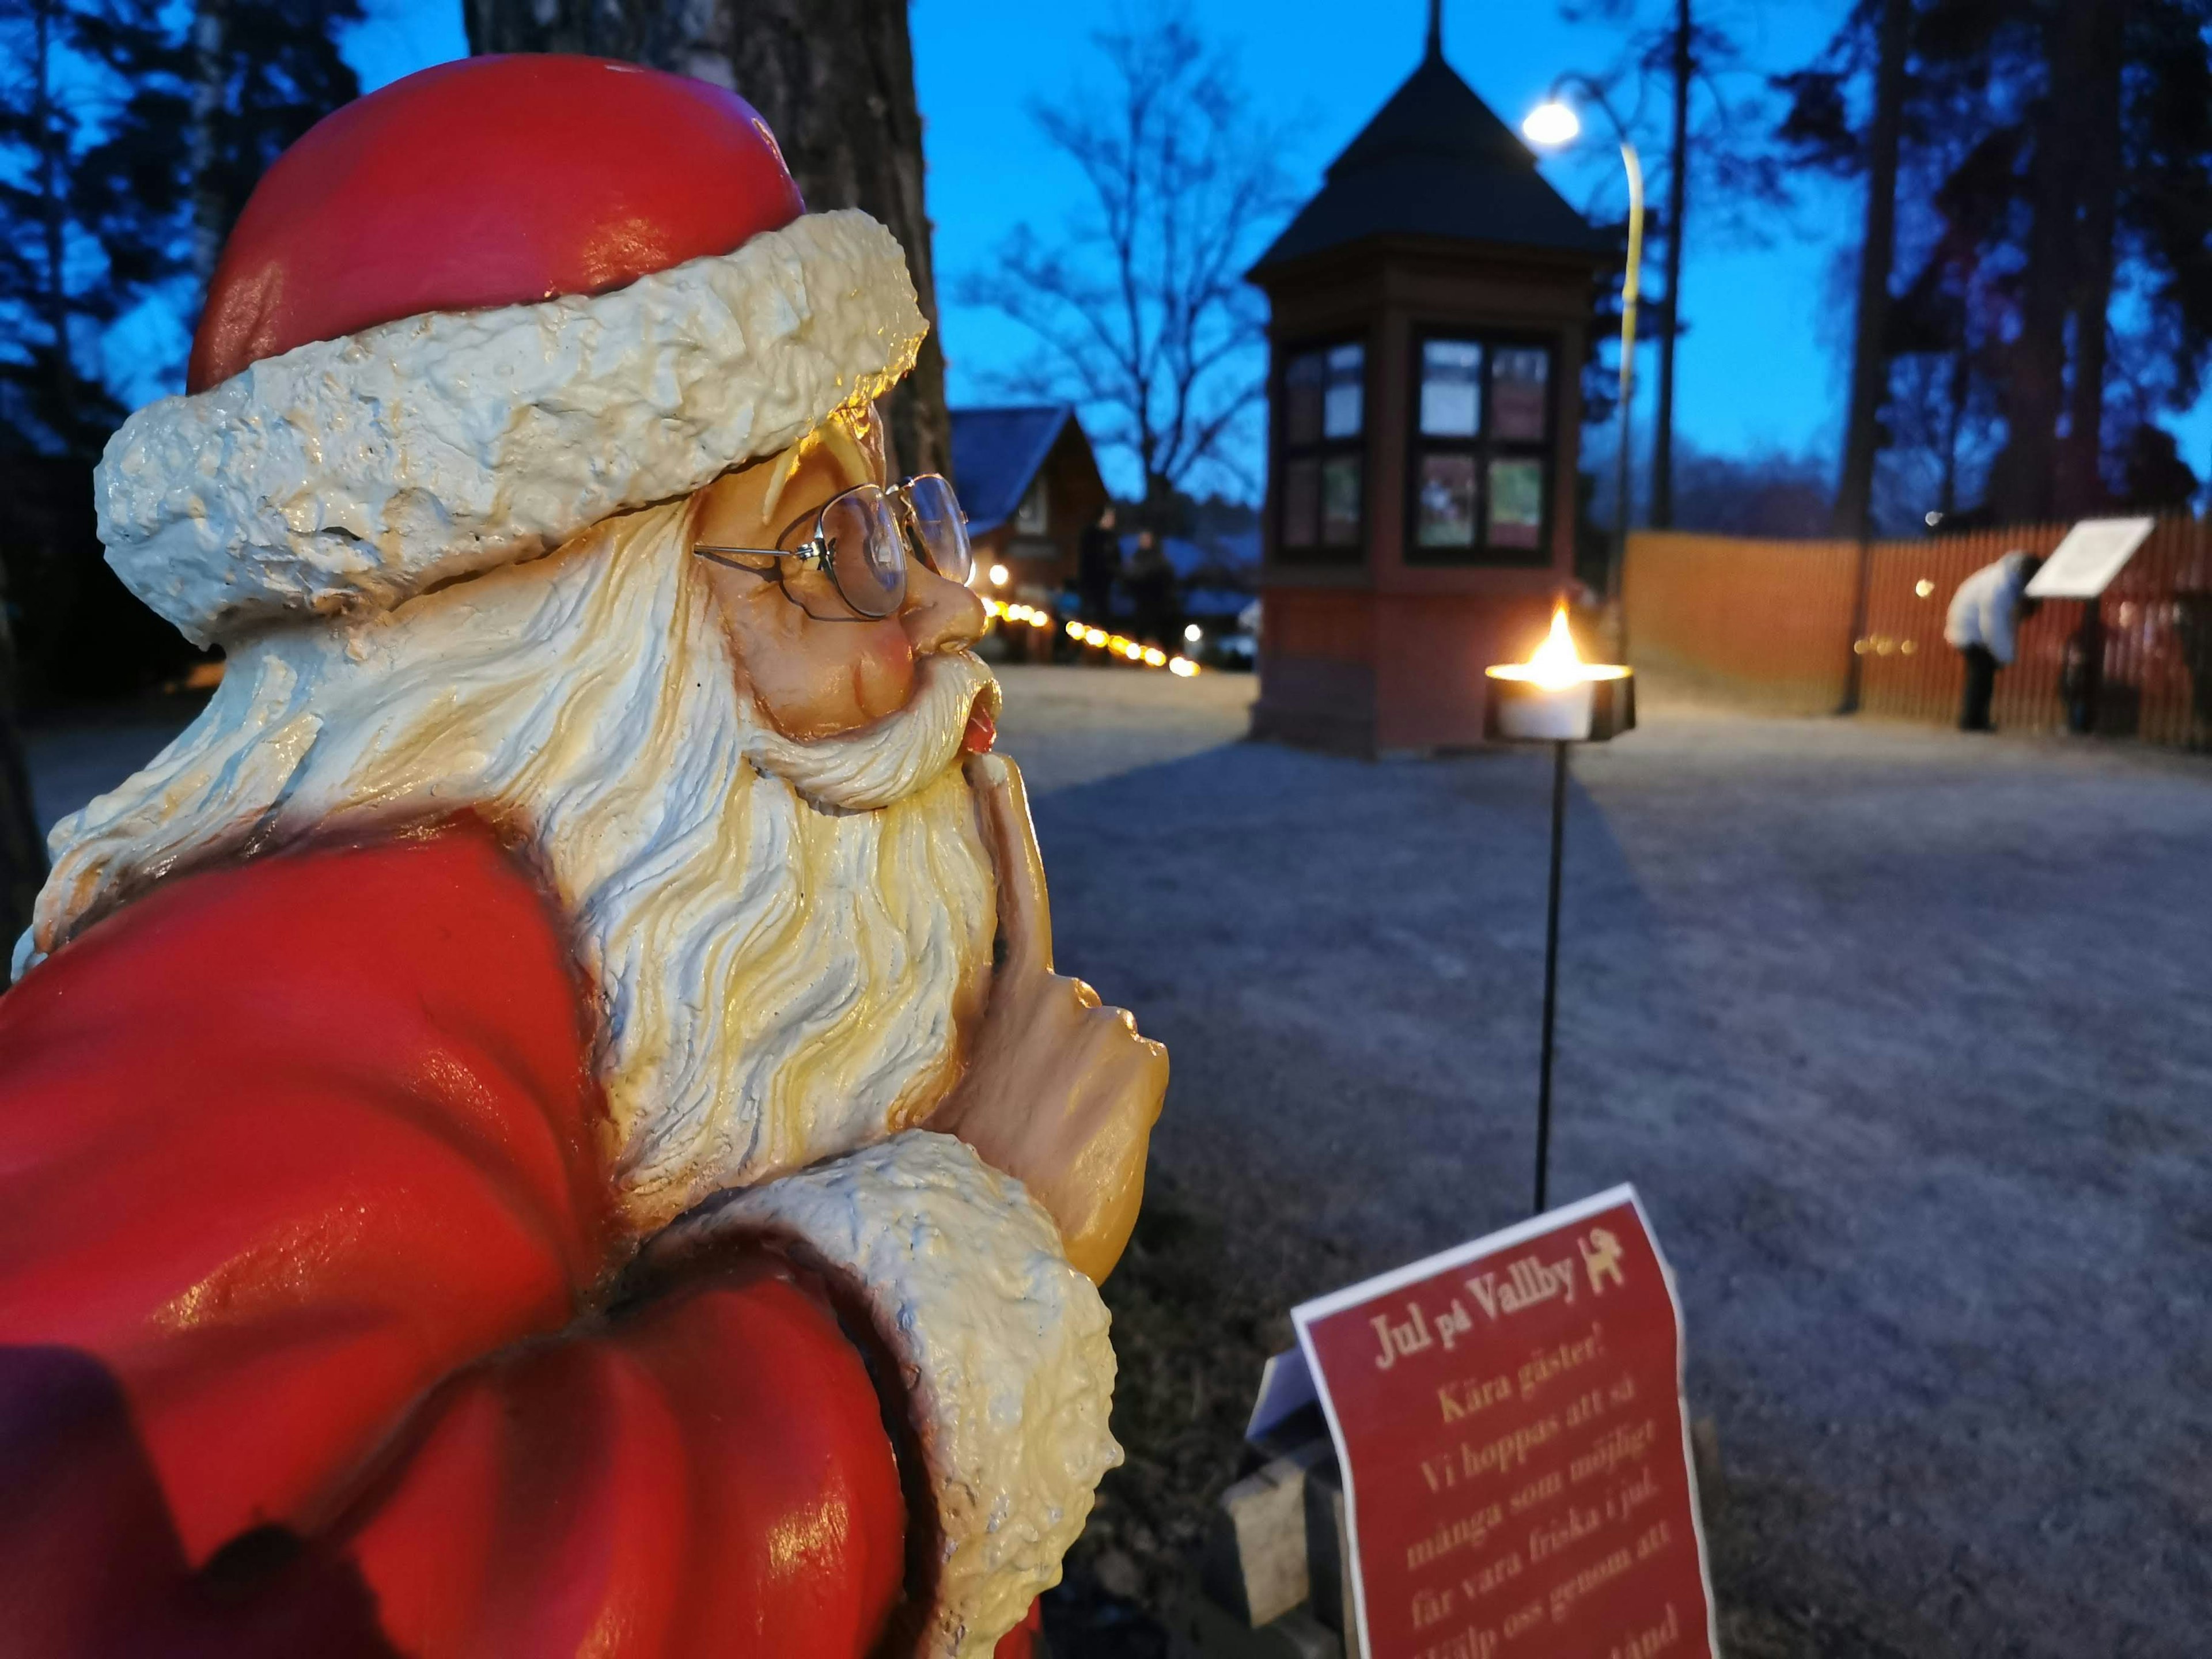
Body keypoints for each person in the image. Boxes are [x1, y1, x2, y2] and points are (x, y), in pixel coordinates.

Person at [0, 57, 1165, 1659]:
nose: (948, 612)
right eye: (833, 549)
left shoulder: (628, 978)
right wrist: (950, 1274)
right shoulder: (256, 1010)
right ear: (576, 658)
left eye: (904, 518)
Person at [1944, 550, 2044, 731]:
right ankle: (1972, 721)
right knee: (1981, 676)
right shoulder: (2001, 587)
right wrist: (2004, 655)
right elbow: (1994, 624)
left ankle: (1973, 720)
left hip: (1968, 628)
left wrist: (2002, 654)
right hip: (1971, 632)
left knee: (1981, 676)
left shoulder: (2003, 579)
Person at [1125, 530, 1178, 646]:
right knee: (1141, 632)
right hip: (1140, 602)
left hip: (1158, 603)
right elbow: (1129, 577)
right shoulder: (1135, 558)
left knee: (1156, 633)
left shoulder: (1160, 560)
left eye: (1147, 539)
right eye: (1142, 539)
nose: (1144, 542)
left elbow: (1167, 580)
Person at [1077, 503, 1121, 625]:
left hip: (1106, 586)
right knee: (1088, 618)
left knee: (1103, 618)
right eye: (1110, 517)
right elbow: (1089, 560)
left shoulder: (1112, 538)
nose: (1113, 520)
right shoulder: (1090, 535)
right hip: (1090, 584)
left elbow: (1117, 560)